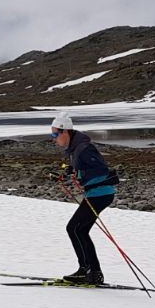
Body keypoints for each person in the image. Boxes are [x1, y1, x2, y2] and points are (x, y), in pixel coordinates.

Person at [51, 112, 118, 284]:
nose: (54, 138)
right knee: (79, 230)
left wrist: (79, 173)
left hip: (100, 194)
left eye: (55, 134)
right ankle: (93, 273)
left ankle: (86, 270)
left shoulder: (84, 148)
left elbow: (101, 169)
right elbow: (76, 167)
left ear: (64, 132)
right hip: (97, 194)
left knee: (74, 228)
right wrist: (65, 174)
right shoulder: (75, 147)